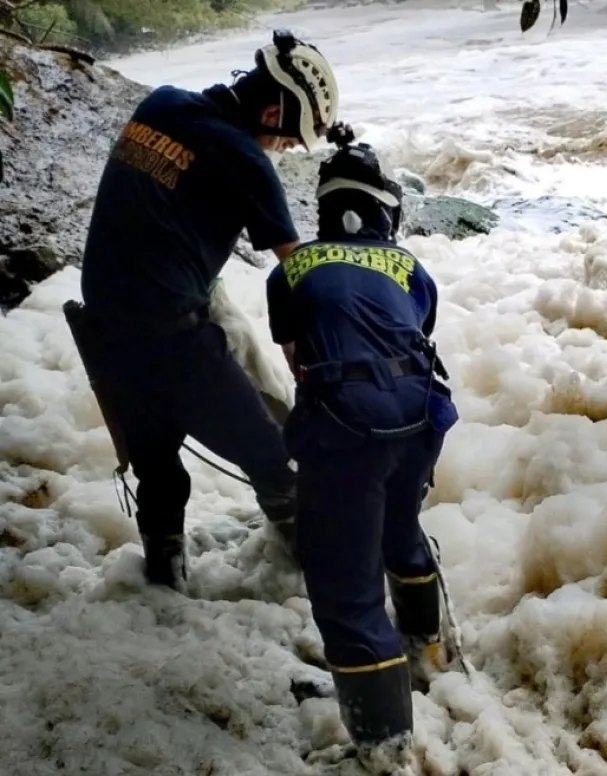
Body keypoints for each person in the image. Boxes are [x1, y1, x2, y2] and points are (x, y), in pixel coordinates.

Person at [76, 29, 341, 592]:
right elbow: (296, 273)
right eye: (289, 140)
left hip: (105, 330)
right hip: (171, 341)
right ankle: (321, 583)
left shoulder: (161, 103)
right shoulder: (246, 158)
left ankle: (162, 589)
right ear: (271, 111)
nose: (285, 151)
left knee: (159, 471)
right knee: (279, 462)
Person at [265, 140, 459, 774]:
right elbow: (415, 333)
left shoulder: (291, 270)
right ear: (385, 213)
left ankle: (384, 749)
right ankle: (429, 652)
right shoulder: (408, 266)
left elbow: (299, 357)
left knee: (346, 586)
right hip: (423, 417)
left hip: (346, 426)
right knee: (399, 529)